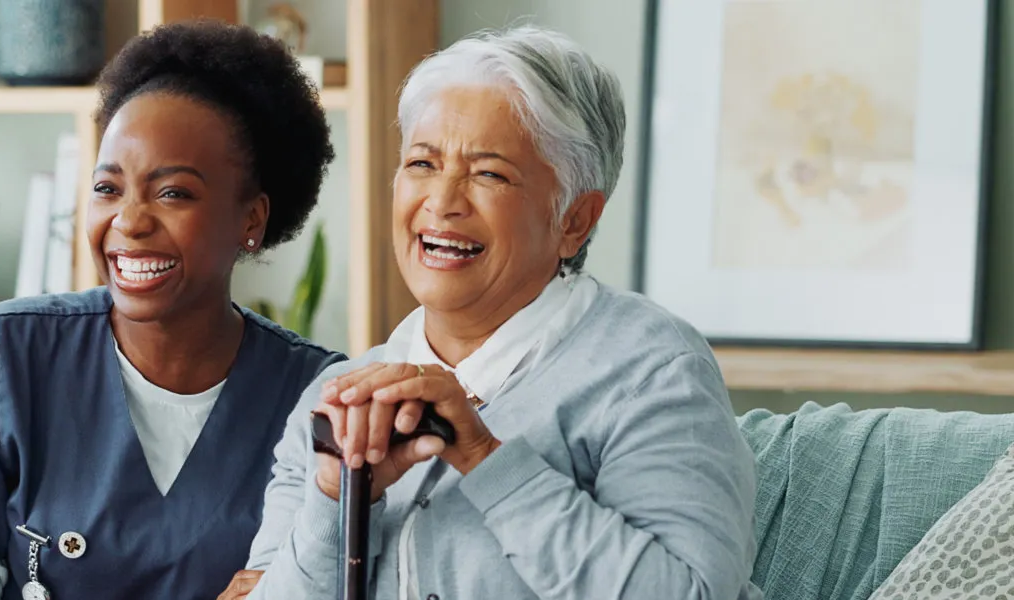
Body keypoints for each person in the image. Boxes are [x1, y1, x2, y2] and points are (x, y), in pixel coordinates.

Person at [228, 26, 760, 600]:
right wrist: (337, 494)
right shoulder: (337, 399)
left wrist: (483, 457)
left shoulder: (649, 368)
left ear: (574, 221)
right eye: (422, 164)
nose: (442, 202)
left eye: (489, 173)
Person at [0, 20, 343, 600]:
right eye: (108, 189)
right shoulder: (5, 355)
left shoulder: (315, 396)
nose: (128, 222)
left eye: (173, 192)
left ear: (251, 220)